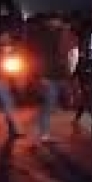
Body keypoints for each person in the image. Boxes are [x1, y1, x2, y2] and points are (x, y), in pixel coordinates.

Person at [32, 13, 68, 144]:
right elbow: (40, 57)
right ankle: (44, 133)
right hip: (48, 75)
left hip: (56, 74)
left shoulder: (57, 33)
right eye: (58, 20)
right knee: (49, 105)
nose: (60, 23)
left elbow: (60, 55)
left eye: (60, 21)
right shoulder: (44, 35)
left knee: (49, 105)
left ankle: (38, 127)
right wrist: (42, 76)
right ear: (51, 21)